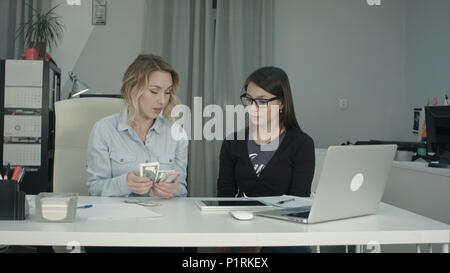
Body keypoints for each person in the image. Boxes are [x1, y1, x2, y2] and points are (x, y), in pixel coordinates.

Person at [217, 66, 315, 253]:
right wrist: (233, 238)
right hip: (240, 228)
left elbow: (298, 202)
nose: (252, 108)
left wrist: (261, 240)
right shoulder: (233, 142)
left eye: (262, 101)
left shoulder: (302, 143)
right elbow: (224, 197)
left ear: (282, 103)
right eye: (249, 100)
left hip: (283, 231)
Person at [87, 54, 188, 199]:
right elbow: (94, 189)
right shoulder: (104, 130)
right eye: (154, 91)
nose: (162, 100)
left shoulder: (177, 134)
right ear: (132, 88)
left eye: (167, 92)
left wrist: (174, 190)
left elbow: (182, 190)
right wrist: (124, 184)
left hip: (164, 218)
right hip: (119, 219)